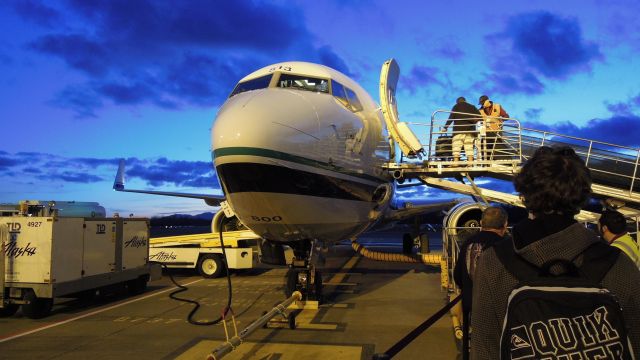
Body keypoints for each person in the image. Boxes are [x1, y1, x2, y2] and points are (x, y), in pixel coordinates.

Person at [470, 146, 640, 359]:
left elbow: (485, 347)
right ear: (581, 196)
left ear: (525, 195)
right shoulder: (617, 263)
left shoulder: (494, 262)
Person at [453, 206, 508, 360]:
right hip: (500, 307)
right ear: (505, 225)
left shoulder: (467, 243)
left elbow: (457, 275)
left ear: (481, 222)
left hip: (472, 303)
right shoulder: (508, 245)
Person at [442, 97, 482, 164]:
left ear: (457, 102)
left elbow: (451, 117)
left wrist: (445, 127)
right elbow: (480, 117)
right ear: (465, 101)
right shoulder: (472, 106)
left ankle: (456, 163)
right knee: (469, 147)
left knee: (456, 147)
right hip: (470, 130)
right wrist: (473, 120)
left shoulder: (456, 106)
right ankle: (470, 163)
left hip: (458, 130)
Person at [478, 95, 510, 160]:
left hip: (497, 131)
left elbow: (506, 116)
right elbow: (476, 120)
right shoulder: (480, 111)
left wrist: (501, 119)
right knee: (483, 147)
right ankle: (486, 163)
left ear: (487, 101)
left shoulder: (497, 106)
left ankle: (501, 161)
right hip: (485, 133)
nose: (482, 105)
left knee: (497, 147)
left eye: (482, 103)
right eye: (481, 103)